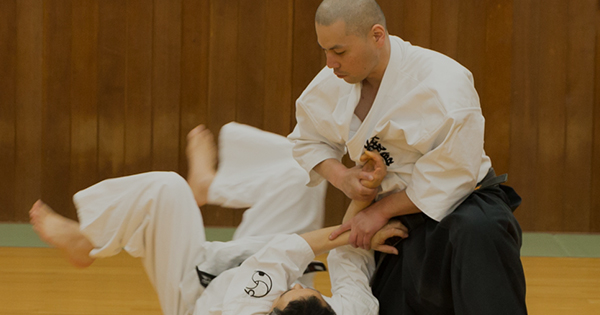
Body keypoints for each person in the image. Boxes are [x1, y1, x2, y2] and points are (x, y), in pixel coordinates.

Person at [287, 0, 527, 314]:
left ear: (377, 35)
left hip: (464, 204)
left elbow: (453, 176)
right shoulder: (333, 82)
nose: (331, 63)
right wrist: (343, 178)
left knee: (479, 231)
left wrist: (378, 211)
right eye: (325, 51)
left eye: (339, 51)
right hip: (396, 219)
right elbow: (308, 140)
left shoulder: (443, 84)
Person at [29, 123, 406, 315]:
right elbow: (349, 261)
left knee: (165, 189)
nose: (293, 285)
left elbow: (289, 250)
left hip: (198, 291)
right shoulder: (352, 312)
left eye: (285, 293)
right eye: (303, 289)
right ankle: (210, 186)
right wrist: (366, 194)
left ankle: (87, 241)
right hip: (246, 261)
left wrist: (352, 230)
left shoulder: (250, 302)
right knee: (300, 173)